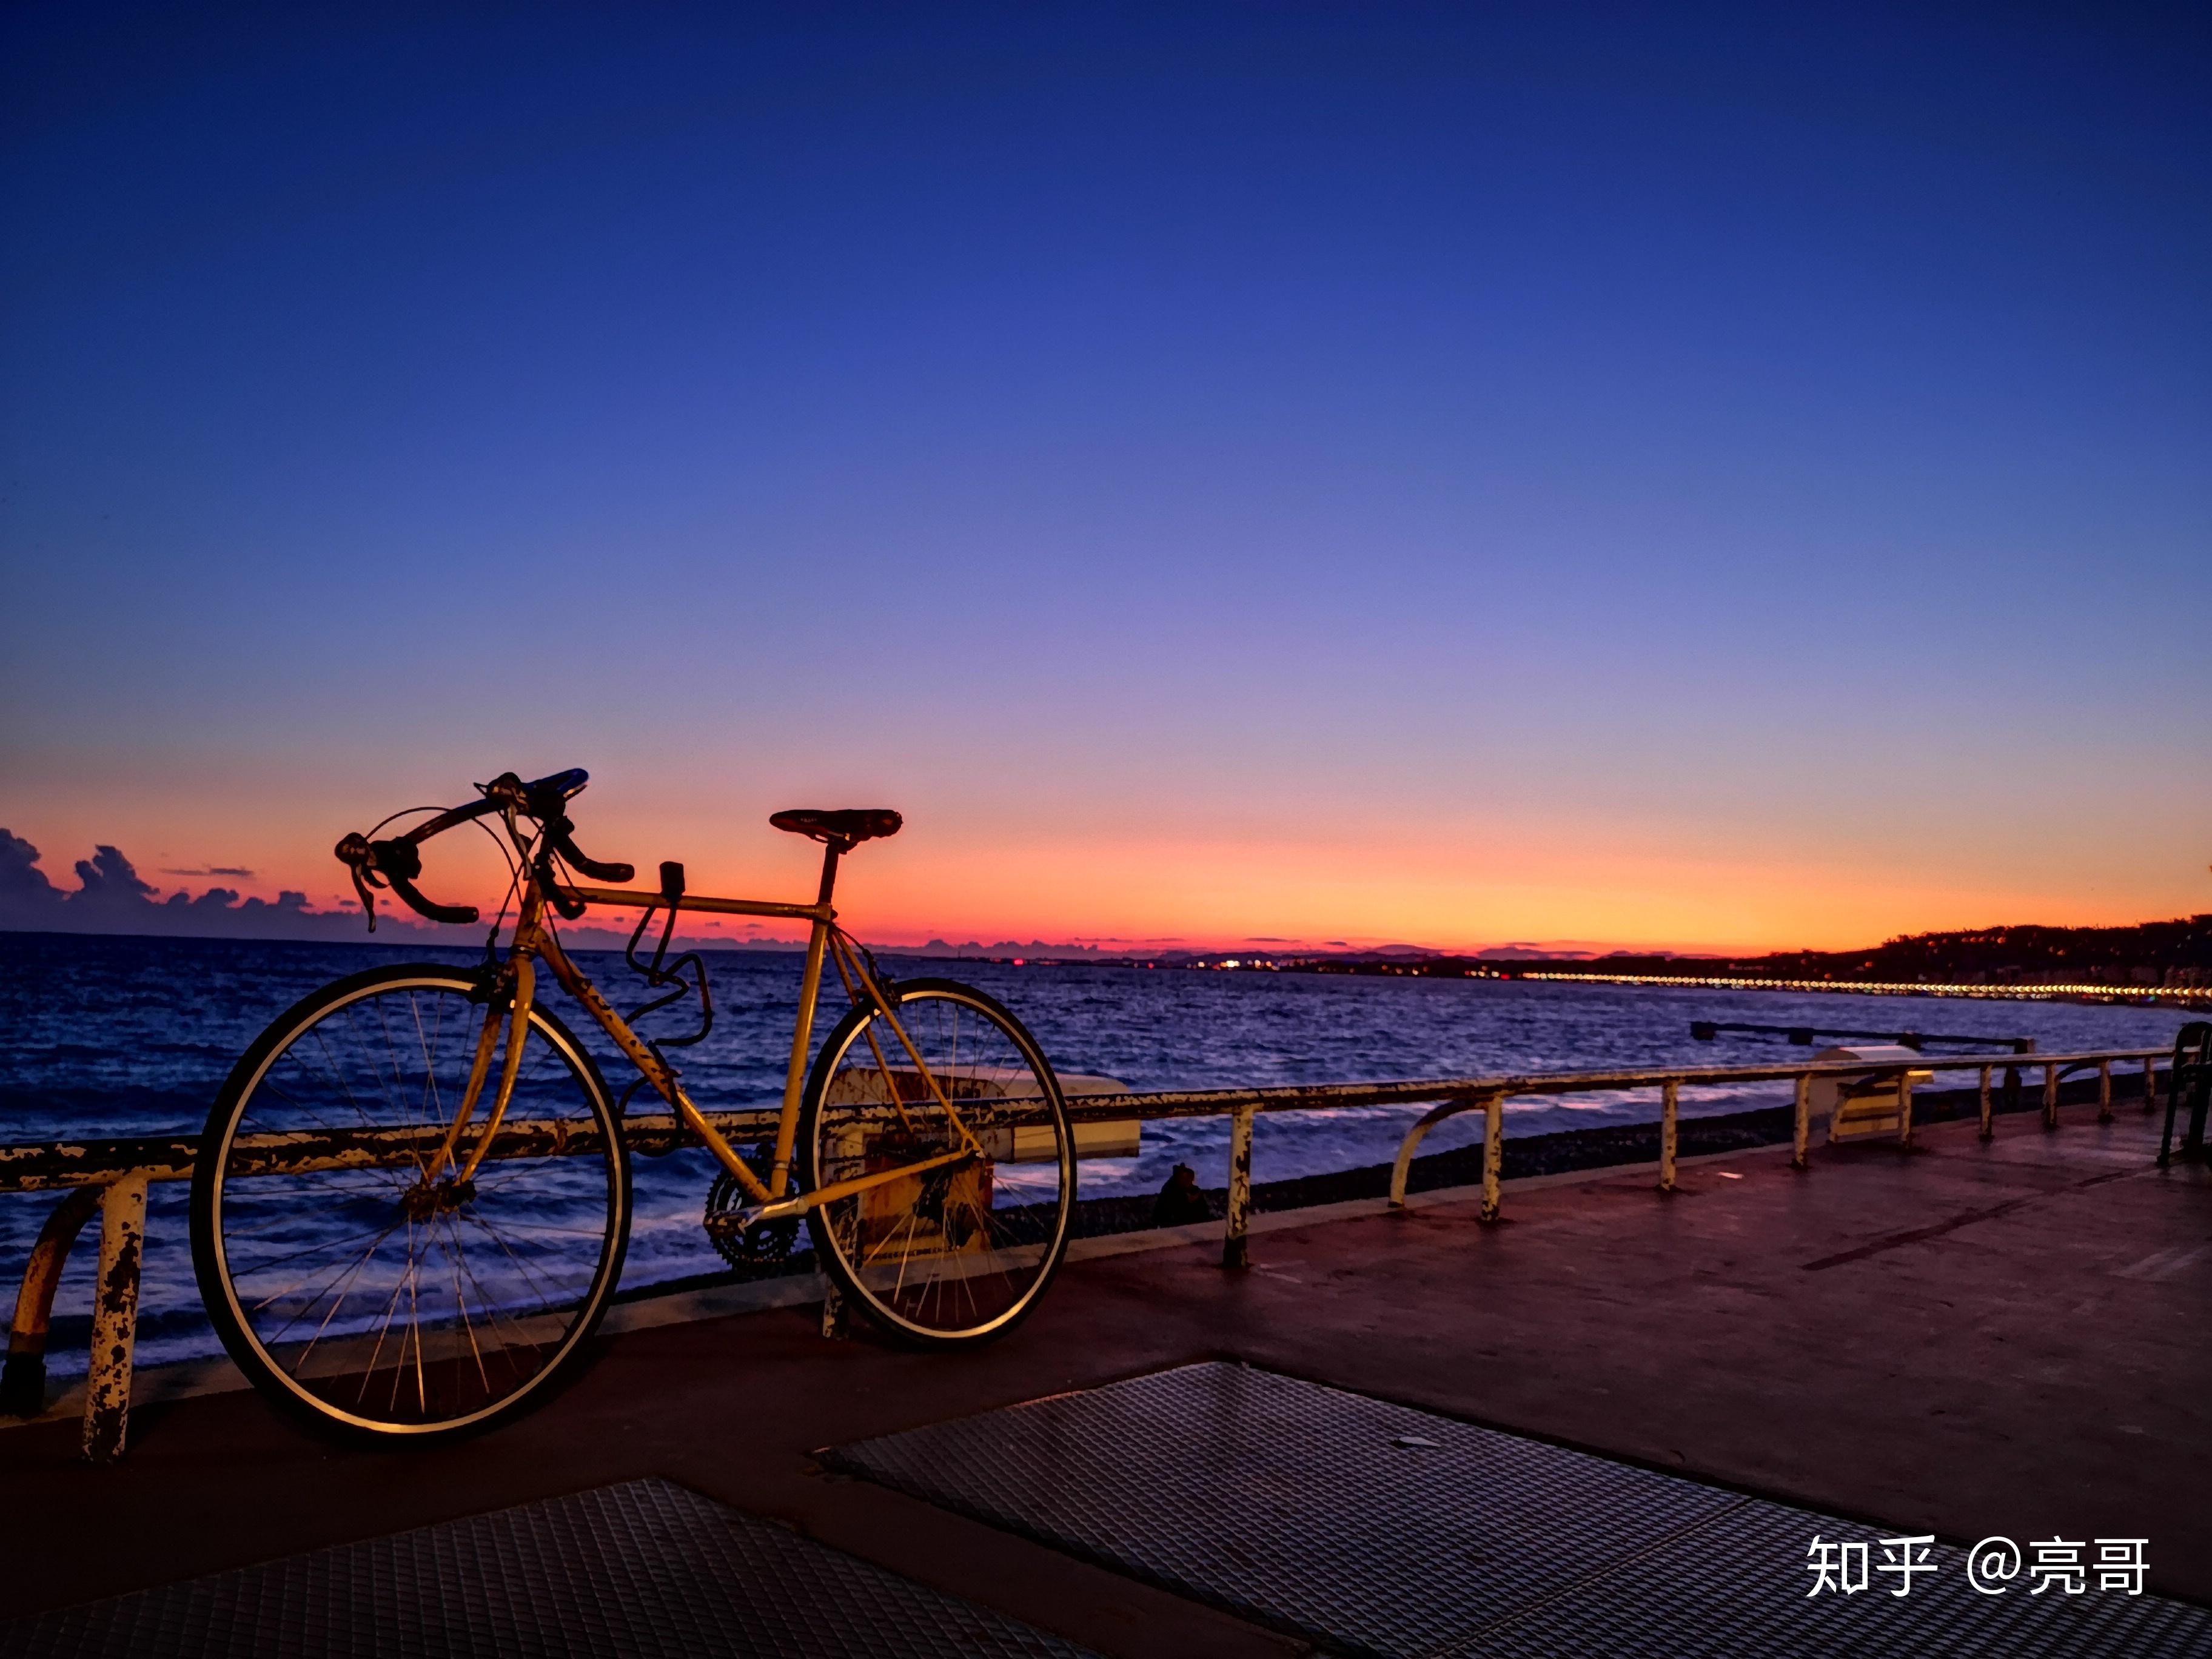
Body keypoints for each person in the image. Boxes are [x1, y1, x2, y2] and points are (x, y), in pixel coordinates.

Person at [1152, 1161, 1213, 1225]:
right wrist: (1187, 1200)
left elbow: (1203, 1211)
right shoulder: (1169, 1190)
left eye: (1190, 1179)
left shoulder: (1194, 1190)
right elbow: (1167, 1211)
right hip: (1174, 1226)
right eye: (1186, 1179)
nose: (1189, 1181)